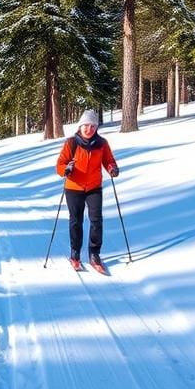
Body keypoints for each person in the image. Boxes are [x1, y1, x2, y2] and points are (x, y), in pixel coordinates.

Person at [55, 109, 119, 269]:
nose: (89, 129)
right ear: (80, 126)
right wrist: (66, 170)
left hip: (94, 187)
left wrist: (112, 168)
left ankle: (94, 254)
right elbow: (60, 164)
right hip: (74, 187)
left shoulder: (102, 143)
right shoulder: (72, 143)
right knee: (76, 221)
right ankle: (75, 253)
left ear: (96, 127)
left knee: (96, 221)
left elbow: (108, 160)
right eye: (86, 125)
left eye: (92, 126)